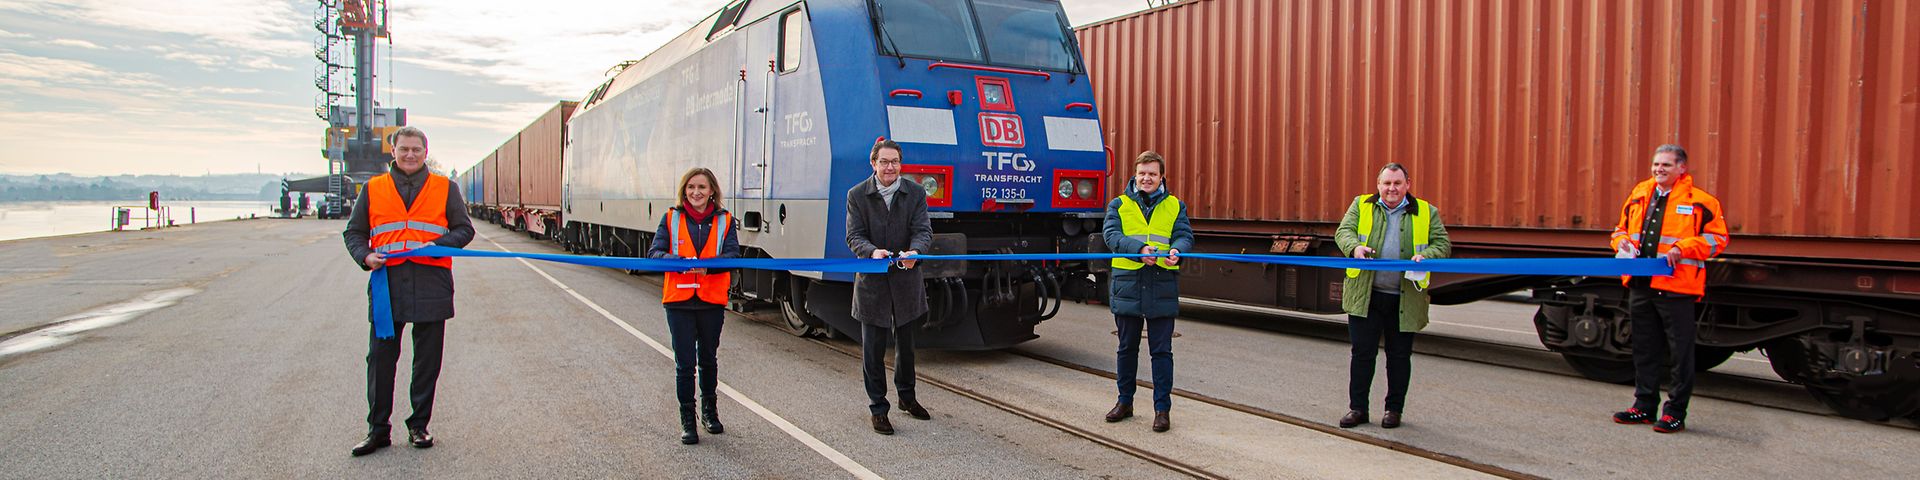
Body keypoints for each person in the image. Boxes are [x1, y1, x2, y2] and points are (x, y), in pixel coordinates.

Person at [341, 126, 475, 456]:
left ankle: (419, 426)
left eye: (416, 149)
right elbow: (354, 233)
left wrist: (436, 245)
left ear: (425, 152)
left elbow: (464, 230)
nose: (410, 155)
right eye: (404, 149)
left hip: (432, 286)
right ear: (394, 152)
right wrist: (366, 256)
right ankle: (378, 430)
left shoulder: (446, 188)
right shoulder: (373, 189)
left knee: (427, 362)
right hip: (388, 287)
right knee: (380, 361)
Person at [1608, 144, 1728, 434]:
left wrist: (1683, 246)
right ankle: (1644, 406)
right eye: (1656, 165)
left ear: (1682, 169)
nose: (1659, 169)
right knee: (1644, 349)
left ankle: (1675, 412)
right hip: (1641, 284)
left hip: (1677, 289)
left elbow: (1718, 240)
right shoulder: (1639, 194)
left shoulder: (1701, 202)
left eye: (1666, 165)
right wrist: (1620, 242)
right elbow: (1620, 229)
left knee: (1680, 353)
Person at [1332, 163, 1450, 429]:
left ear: (1408, 184)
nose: (1391, 189)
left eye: (1397, 183)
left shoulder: (1426, 212)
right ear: (1378, 184)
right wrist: (1355, 248)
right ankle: (1358, 409)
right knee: (1362, 355)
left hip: (1405, 298)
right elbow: (1343, 232)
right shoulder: (1361, 205)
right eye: (1386, 183)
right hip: (1366, 296)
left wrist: (1427, 255)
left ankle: (1393, 410)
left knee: (1399, 358)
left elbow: (1442, 244)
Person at [646, 167, 742, 445]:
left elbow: (733, 254)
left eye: (701, 187)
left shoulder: (725, 221)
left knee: (709, 359)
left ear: (712, 190)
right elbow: (655, 252)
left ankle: (709, 413)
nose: (696, 192)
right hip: (679, 302)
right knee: (685, 364)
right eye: (691, 188)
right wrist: (677, 261)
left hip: (711, 300)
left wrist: (707, 269)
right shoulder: (671, 218)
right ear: (684, 191)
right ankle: (687, 419)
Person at [845, 139, 934, 435]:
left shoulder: (915, 194)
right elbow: (854, 236)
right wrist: (872, 252)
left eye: (894, 161)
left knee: (906, 348)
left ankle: (907, 399)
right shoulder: (857, 195)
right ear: (873, 164)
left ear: (901, 164)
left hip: (906, 282)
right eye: (884, 162)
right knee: (873, 350)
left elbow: (923, 230)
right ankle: (878, 408)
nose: (889, 167)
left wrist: (916, 252)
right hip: (873, 284)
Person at [1100, 151, 1193, 433]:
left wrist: (1178, 250)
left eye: (1152, 174)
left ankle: (1162, 410)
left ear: (1161, 176)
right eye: (1142, 173)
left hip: (1161, 285)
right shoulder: (1119, 205)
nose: (1146, 178)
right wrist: (1139, 251)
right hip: (1128, 285)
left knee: (1161, 352)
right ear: (1135, 175)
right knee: (1126, 348)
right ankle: (1124, 402)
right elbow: (1111, 236)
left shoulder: (1176, 206)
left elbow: (1185, 235)